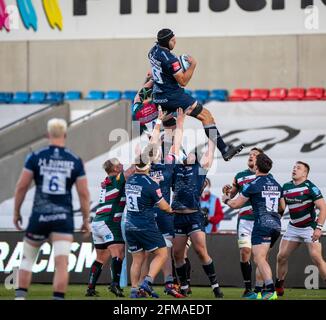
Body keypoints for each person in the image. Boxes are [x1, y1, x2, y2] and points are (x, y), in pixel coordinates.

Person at [13, 118, 90, 300]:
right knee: (61, 263)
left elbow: (21, 186)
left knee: (27, 260)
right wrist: (86, 219)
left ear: (47, 135)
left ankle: (20, 297)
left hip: (39, 216)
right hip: (63, 218)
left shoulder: (35, 157)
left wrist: (16, 212)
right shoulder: (75, 160)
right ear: (65, 135)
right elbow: (84, 194)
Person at [148, 28, 244, 161]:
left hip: (158, 97)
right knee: (206, 116)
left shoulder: (153, 51)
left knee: (170, 130)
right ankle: (224, 149)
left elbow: (155, 70)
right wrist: (193, 65)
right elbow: (183, 81)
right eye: (173, 40)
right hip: (173, 96)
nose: (175, 41)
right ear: (167, 41)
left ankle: (166, 162)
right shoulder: (171, 60)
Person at [222, 153, 284, 300]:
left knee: (259, 259)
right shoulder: (276, 183)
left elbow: (236, 204)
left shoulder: (253, 184)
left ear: (256, 166)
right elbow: (282, 206)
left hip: (261, 224)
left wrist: (225, 199)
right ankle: (256, 292)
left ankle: (270, 290)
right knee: (261, 258)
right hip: (276, 225)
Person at [172, 139, 224, 298]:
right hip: (178, 217)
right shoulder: (176, 169)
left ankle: (215, 287)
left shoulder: (200, 170)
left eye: (193, 155)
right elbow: (172, 150)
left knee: (201, 251)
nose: (190, 156)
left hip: (193, 215)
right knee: (177, 255)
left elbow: (210, 153)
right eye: (188, 154)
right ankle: (184, 286)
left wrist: (212, 134)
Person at [124, 148, 174, 298]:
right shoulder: (151, 183)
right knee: (162, 253)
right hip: (145, 224)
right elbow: (164, 206)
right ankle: (147, 282)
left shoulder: (129, 180)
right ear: (148, 165)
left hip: (129, 225)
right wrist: (172, 210)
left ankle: (134, 290)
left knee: (137, 259)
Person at [149, 107, 186, 298]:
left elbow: (174, 144)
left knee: (163, 250)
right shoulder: (158, 163)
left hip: (156, 213)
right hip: (156, 212)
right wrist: (174, 123)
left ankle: (167, 282)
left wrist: (178, 123)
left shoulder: (152, 164)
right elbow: (170, 144)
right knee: (149, 253)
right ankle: (147, 285)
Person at [85, 158, 135, 297]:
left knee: (101, 257)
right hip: (109, 221)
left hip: (97, 222)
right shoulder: (116, 179)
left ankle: (90, 288)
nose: (121, 164)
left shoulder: (107, 180)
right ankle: (114, 284)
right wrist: (145, 155)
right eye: (118, 164)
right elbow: (131, 171)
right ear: (114, 169)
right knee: (119, 252)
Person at [276, 161, 326, 296]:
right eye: (293, 167)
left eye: (298, 168)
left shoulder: (311, 187)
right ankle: (279, 285)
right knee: (281, 257)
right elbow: (281, 209)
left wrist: (319, 228)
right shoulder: (285, 187)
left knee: (316, 257)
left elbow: (323, 208)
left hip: (309, 227)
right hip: (293, 227)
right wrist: (274, 220)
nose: (294, 169)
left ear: (305, 173)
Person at [222, 147, 264, 297]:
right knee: (245, 252)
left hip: (260, 221)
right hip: (245, 220)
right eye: (250, 154)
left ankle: (260, 288)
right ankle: (248, 288)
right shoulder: (240, 176)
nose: (251, 156)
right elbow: (232, 194)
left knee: (260, 256)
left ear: (261, 159)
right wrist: (227, 191)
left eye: (255, 155)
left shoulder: (265, 176)